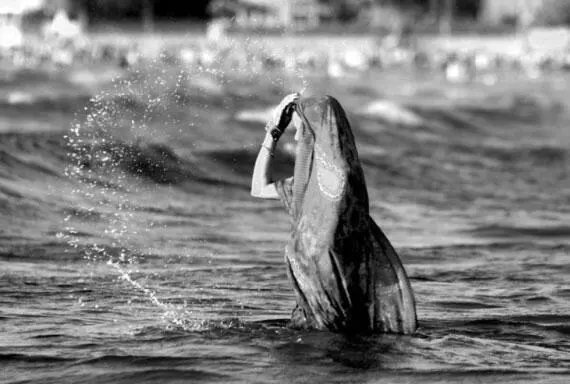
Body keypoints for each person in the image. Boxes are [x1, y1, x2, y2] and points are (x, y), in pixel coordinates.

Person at [251, 94, 417, 334]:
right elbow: (258, 188)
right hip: (337, 311)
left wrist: (274, 131)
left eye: (301, 129)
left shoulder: (314, 186)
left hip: (324, 314)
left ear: (315, 132)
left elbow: (258, 186)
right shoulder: (341, 184)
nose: (297, 137)